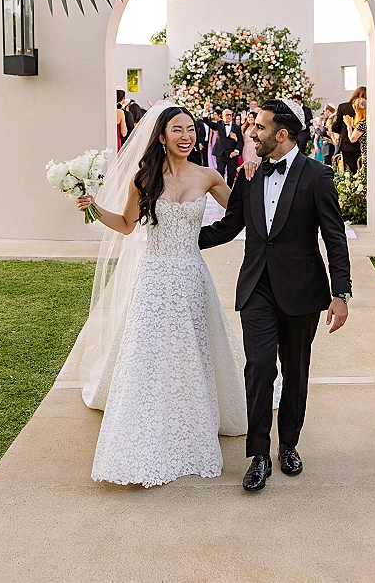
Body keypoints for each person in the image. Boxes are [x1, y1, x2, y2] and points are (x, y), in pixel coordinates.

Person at [75, 103, 247, 487]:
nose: (186, 136)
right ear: (162, 136)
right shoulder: (145, 179)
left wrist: (252, 174)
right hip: (153, 276)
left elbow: (244, 211)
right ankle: (141, 430)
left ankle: (192, 421)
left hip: (191, 276)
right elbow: (125, 225)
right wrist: (94, 208)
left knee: (192, 349)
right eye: (177, 130)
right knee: (147, 352)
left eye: (191, 129)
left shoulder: (209, 176)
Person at [199, 99, 352, 492]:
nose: (252, 133)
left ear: (281, 134)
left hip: (302, 291)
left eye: (260, 128)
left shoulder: (318, 176)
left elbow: (334, 238)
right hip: (256, 288)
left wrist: (341, 293)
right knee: (260, 366)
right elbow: (229, 226)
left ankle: (289, 445)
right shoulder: (247, 174)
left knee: (296, 371)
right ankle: (259, 454)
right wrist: (179, 239)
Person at [203, 102, 243, 187]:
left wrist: (236, 151)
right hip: (220, 153)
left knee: (231, 175)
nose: (228, 116)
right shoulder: (218, 124)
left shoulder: (237, 127)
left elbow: (240, 141)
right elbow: (206, 121)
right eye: (226, 115)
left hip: (232, 155)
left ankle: (229, 193)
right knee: (220, 172)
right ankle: (221, 191)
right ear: (222, 116)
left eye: (230, 115)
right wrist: (206, 109)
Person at [331, 86, 366, 173]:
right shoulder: (368, 107)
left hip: (348, 146)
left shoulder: (343, 107)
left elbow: (335, 127)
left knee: (349, 172)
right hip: (363, 146)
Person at [344, 98, 367, 171]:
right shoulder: (366, 122)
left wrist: (348, 126)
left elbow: (352, 139)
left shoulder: (361, 124)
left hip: (365, 155)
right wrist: (353, 125)